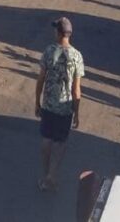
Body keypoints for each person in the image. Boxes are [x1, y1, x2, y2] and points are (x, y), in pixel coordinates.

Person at [34, 17, 84, 193]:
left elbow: (41, 79)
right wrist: (76, 113)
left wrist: (37, 101)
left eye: (55, 29)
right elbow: (76, 90)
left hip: (48, 105)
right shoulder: (77, 56)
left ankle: (47, 175)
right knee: (60, 142)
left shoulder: (49, 51)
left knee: (46, 140)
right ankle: (52, 175)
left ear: (58, 33)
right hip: (65, 108)